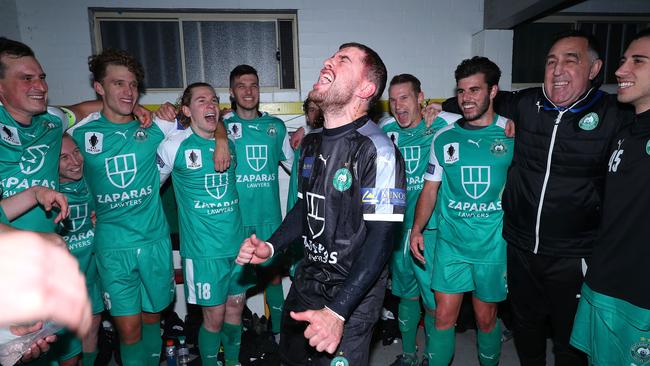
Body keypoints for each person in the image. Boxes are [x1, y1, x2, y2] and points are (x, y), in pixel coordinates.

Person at [440, 30, 629, 365]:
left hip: (572, 255)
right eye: (551, 61)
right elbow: (469, 101)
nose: (557, 70)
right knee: (526, 328)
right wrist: (435, 115)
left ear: (594, 68)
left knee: (569, 339)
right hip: (520, 246)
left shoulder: (614, 116)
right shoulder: (526, 105)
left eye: (570, 61)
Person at [236, 42, 406, 365]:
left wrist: (338, 312)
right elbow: (305, 208)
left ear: (366, 87)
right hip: (307, 282)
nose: (328, 61)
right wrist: (271, 247)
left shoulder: (378, 150)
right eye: (331, 55)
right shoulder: (312, 144)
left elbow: (381, 241)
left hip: (350, 297)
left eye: (343, 59)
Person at [67, 49, 180, 366]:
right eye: (118, 83)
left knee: (152, 321)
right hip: (112, 246)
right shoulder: (79, 133)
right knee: (128, 331)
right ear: (99, 87)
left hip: (154, 241)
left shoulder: (157, 126)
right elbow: (40, 116)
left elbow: (205, 117)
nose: (128, 92)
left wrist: (167, 111)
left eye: (133, 85)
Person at [410, 57, 513, 365]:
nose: (466, 98)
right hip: (451, 244)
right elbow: (430, 189)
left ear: (493, 91)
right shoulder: (445, 138)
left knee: (485, 319)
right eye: (461, 90)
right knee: (442, 317)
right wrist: (417, 229)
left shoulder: (510, 134)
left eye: (474, 90)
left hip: (492, 246)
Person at [570, 28, 650, 365]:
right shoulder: (626, 131)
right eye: (623, 60)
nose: (620, 71)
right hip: (603, 284)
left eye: (639, 61)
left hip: (640, 298)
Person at [157, 82, 251, 366]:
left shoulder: (228, 142)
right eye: (201, 101)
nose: (210, 105)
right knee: (214, 317)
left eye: (213, 100)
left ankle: (232, 362)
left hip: (237, 246)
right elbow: (149, 187)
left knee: (236, 310)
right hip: (203, 251)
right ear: (186, 110)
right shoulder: (174, 145)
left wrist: (220, 135)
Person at [380, 73, 460, 366]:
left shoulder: (441, 124)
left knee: (436, 303)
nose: (398, 106)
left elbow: (479, 118)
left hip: (430, 231)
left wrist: (440, 108)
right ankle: (409, 354)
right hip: (399, 230)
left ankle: (433, 356)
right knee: (405, 295)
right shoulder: (385, 127)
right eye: (393, 99)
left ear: (420, 98)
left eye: (405, 98)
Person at [224, 64, 294, 338]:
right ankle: (235, 349)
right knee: (235, 286)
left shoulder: (275, 127)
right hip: (236, 220)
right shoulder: (222, 128)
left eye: (253, 85)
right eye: (241, 85)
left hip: (269, 218)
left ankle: (278, 338)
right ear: (231, 92)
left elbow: (294, 164)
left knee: (274, 277)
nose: (248, 90)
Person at [55, 134, 104, 366]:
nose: (75, 161)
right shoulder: (46, 193)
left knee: (92, 329)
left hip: (91, 273)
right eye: (64, 157)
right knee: (67, 347)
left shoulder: (91, 180)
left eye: (76, 152)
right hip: (63, 282)